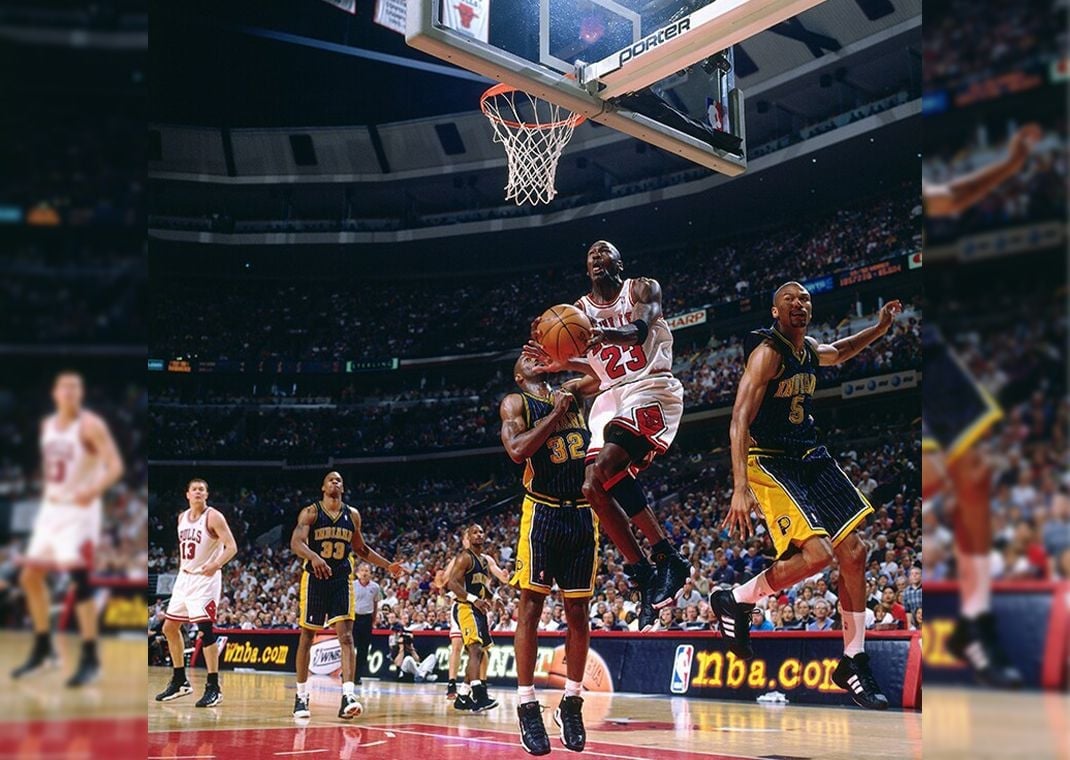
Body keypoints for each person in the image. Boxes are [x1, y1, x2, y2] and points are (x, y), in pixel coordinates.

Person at [717, 282, 902, 709]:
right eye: (790, 300)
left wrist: (879, 327)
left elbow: (841, 349)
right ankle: (738, 599)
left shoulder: (811, 349)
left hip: (809, 455)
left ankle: (853, 660)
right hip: (770, 459)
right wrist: (739, 487)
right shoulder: (768, 353)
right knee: (819, 555)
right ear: (775, 311)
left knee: (855, 552)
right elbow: (739, 419)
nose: (799, 305)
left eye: (805, 300)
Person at [922, 124, 1042, 688]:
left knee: (976, 478)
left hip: (941, 356)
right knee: (935, 479)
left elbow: (960, 194)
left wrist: (1013, 160)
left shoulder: (934, 202)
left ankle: (975, 621)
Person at [524, 240, 689, 627]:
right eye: (591, 255)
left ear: (619, 261)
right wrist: (561, 362)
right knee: (591, 487)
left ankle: (668, 557)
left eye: (605, 252)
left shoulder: (642, 288)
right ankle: (643, 573)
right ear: (587, 270)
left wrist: (604, 334)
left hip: (651, 385)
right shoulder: (577, 312)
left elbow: (639, 329)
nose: (597, 257)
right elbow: (597, 373)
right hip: (611, 397)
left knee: (609, 463)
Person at [500, 355, 602, 755]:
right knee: (531, 608)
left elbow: (604, 374)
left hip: (581, 513)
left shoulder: (571, 391)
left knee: (578, 614)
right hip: (541, 511)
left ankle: (572, 702)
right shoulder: (515, 403)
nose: (535, 356)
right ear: (518, 373)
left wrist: (567, 357)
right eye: (528, 356)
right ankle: (527, 704)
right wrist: (555, 413)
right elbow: (517, 449)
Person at [13, 371, 125, 688]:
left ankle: (90, 657)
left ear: (81, 393)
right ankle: (44, 648)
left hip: (80, 511)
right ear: (55, 393)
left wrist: (93, 489)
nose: (70, 392)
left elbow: (114, 465)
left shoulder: (91, 425)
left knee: (80, 580)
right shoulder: (47, 426)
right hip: (52, 510)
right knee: (29, 577)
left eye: (76, 387)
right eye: (65, 387)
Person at [289, 471, 403, 720]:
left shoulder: (352, 515)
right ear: (323, 486)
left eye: (339, 480)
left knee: (347, 638)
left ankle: (348, 696)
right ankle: (301, 696)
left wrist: (387, 565)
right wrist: (314, 557)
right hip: (315, 580)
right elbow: (296, 543)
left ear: (343, 487)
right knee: (307, 636)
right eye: (331, 479)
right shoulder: (311, 512)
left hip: (341, 579)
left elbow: (360, 548)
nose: (335, 482)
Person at [154, 479, 237, 707]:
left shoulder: (213, 517)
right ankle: (180, 680)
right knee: (169, 627)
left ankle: (214, 687)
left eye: (202, 489)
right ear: (187, 494)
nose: (198, 492)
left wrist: (216, 564)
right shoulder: (181, 518)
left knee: (205, 630)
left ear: (206, 495)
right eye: (194, 489)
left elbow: (231, 546)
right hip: (184, 578)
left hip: (205, 579)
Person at [434, 534, 509, 701]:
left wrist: (504, 578)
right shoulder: (459, 560)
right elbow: (444, 582)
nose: (476, 538)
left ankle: (476, 686)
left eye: (479, 534)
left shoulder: (485, 560)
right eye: (471, 536)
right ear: (465, 541)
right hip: (463, 605)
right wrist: (439, 579)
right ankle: (453, 684)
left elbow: (496, 578)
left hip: (480, 606)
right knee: (458, 644)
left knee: (481, 649)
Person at [444, 524, 500, 713]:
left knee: (480, 653)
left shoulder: (483, 561)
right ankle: (480, 695)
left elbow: (482, 586)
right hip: (466, 608)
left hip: (479, 609)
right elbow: (451, 583)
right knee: (475, 650)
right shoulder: (464, 557)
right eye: (474, 532)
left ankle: (463, 696)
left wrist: (495, 597)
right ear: (468, 537)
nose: (479, 534)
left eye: (481, 531)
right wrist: (473, 599)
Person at [351, 562, 381, 685]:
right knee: (350, 648)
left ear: (370, 573)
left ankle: (357, 676)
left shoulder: (375, 587)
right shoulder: (352, 585)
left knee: (363, 649)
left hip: (367, 619)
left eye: (367, 571)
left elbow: (375, 604)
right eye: (362, 570)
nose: (364, 573)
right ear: (357, 573)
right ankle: (347, 673)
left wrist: (373, 620)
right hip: (353, 619)